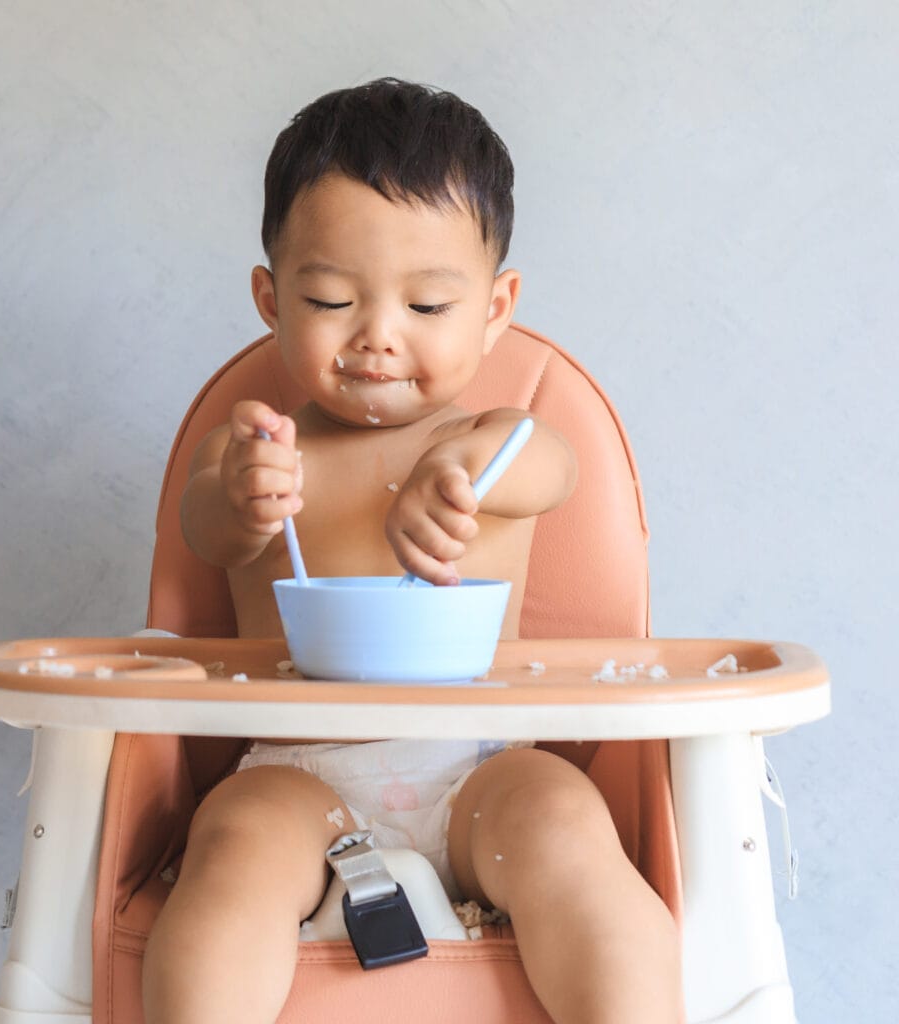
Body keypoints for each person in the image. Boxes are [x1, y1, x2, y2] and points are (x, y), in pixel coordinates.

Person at [143, 78, 682, 1023]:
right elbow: (206, 532)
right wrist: (242, 505)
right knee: (230, 843)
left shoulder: (506, 434)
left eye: (429, 305)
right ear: (270, 299)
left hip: (479, 771)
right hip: (298, 774)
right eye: (329, 297)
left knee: (563, 822)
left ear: (496, 307)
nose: (378, 338)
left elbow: (541, 468)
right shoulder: (254, 446)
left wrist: (468, 471)